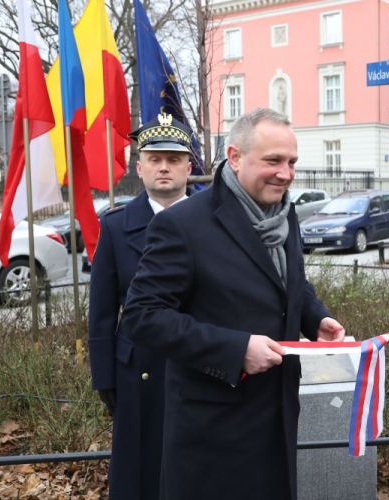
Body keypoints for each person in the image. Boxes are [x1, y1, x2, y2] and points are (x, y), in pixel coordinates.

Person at [120, 107, 346, 499]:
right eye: (273, 161)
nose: (286, 173)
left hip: (278, 417)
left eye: (291, 162)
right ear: (235, 156)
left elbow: (290, 282)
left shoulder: (284, 214)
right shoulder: (183, 224)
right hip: (214, 436)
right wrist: (235, 349)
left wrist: (316, 318)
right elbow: (142, 317)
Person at [88, 113, 192, 500]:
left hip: (199, 363)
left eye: (174, 159)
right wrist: (104, 377)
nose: (164, 167)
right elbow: (100, 311)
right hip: (137, 372)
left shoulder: (214, 221)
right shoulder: (116, 227)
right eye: (154, 159)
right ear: (140, 166)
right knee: (139, 471)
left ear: (188, 165)